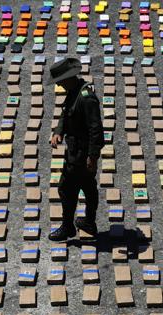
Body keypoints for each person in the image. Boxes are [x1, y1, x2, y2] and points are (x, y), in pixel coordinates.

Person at [47, 57, 104, 241]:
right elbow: (66, 114)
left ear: (68, 78)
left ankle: (68, 227)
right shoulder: (74, 91)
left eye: (60, 81)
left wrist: (93, 157)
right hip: (75, 150)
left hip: (81, 155)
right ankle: (88, 222)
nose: (59, 85)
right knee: (88, 187)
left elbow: (96, 130)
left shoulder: (86, 98)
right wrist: (58, 132)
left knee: (66, 188)